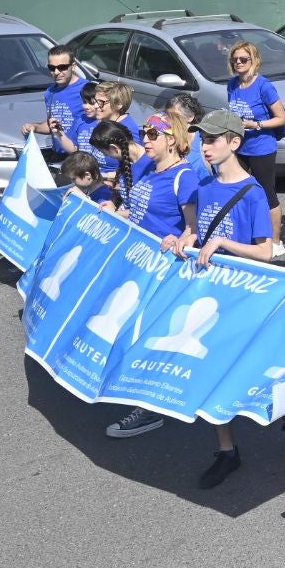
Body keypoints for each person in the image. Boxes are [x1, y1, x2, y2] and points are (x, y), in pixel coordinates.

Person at [162, 110, 285, 489]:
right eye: (202, 140)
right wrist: (182, 239)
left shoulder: (252, 192)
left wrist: (224, 243)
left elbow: (265, 251)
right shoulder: (205, 186)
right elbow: (196, 230)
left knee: (257, 368)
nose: (204, 147)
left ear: (235, 142)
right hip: (209, 294)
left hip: (245, 297)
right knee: (210, 369)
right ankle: (227, 451)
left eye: (212, 140)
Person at [103, 111, 200, 441]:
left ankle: (148, 409)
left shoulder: (184, 177)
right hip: (138, 265)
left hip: (163, 273)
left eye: (152, 134)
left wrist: (180, 241)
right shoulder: (147, 167)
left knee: (148, 338)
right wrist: (114, 212)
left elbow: (194, 229)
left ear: (171, 139)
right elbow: (138, 208)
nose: (144, 139)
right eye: (144, 132)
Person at [225, 39, 285, 258]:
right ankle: (245, 234)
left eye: (243, 59)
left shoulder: (264, 86)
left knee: (267, 194)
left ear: (254, 60)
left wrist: (257, 125)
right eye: (235, 60)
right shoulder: (232, 85)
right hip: (239, 147)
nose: (238, 63)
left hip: (262, 147)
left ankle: (276, 241)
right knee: (238, 190)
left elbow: (281, 118)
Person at [23, 44, 88, 142]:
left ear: (73, 66)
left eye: (62, 67)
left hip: (83, 151)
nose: (56, 72)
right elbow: (51, 125)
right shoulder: (50, 92)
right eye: (52, 68)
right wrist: (35, 127)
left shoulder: (87, 89)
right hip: (58, 151)